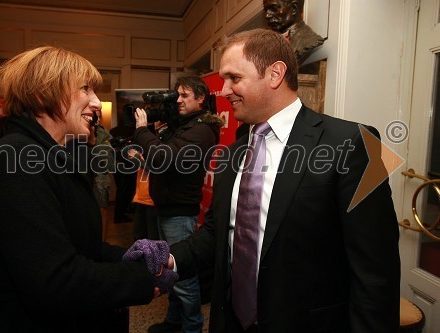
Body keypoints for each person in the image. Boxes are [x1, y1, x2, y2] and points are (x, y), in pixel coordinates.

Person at [168, 29, 401, 332]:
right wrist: (170, 259)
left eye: (234, 78)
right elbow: (218, 233)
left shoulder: (353, 143)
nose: (223, 91)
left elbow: (375, 273)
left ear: (275, 73)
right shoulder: (233, 153)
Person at [0, 46, 174, 332]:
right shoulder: (14, 158)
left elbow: (78, 246)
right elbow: (54, 280)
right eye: (85, 89)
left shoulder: (52, 156)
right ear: (42, 95)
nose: (97, 103)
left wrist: (129, 256)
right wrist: (143, 279)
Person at [133, 75, 225, 333]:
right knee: (170, 271)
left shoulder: (202, 130)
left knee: (184, 276)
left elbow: (164, 157)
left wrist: (142, 131)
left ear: (201, 99)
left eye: (185, 96)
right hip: (166, 207)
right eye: (177, 95)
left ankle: (192, 327)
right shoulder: (182, 125)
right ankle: (174, 322)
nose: (179, 100)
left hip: (179, 213)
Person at [263, 0, 325, 66]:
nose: (267, 15)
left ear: (293, 8)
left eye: (274, 8)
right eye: (266, 10)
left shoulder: (310, 41)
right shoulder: (269, 45)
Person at [89, 110, 115, 241]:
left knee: (102, 210)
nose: (97, 118)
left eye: (99, 115)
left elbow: (107, 160)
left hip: (100, 177)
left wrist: (93, 139)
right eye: (95, 115)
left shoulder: (103, 133)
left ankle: (102, 242)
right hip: (82, 175)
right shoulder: (76, 130)